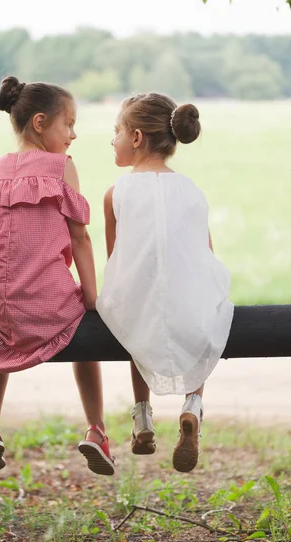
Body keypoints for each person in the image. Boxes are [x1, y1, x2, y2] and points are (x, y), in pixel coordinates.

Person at [0, 76, 115, 475]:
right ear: (38, 122)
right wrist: (90, 299)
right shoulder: (61, 167)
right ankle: (96, 430)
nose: (73, 135)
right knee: (84, 336)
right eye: (67, 124)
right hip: (49, 306)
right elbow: (80, 239)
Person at [95, 93, 234, 473]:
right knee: (207, 311)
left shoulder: (115, 193)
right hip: (189, 306)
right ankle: (192, 406)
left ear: (136, 138)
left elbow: (116, 262)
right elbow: (205, 253)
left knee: (132, 310)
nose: (113, 141)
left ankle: (142, 418)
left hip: (137, 308)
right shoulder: (192, 190)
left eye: (116, 132)